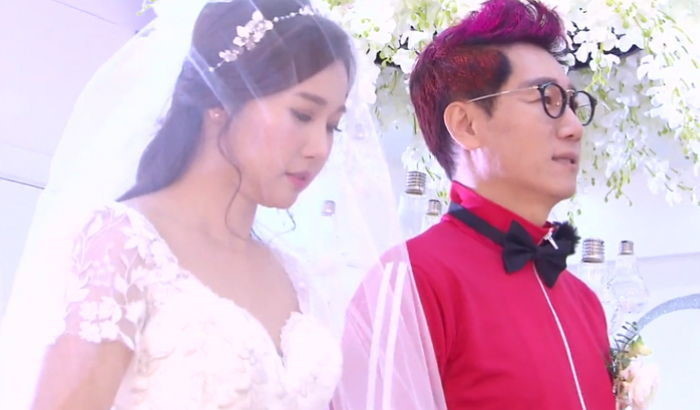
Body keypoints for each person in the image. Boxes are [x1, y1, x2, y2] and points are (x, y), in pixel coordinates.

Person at [0, 0, 382, 408]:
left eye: (332, 126)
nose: (319, 148)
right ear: (222, 100)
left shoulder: (296, 277)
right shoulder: (125, 246)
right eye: (303, 115)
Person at [406, 0, 616, 408]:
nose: (574, 128)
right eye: (547, 99)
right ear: (467, 125)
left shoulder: (585, 301)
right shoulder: (416, 280)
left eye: (573, 104)